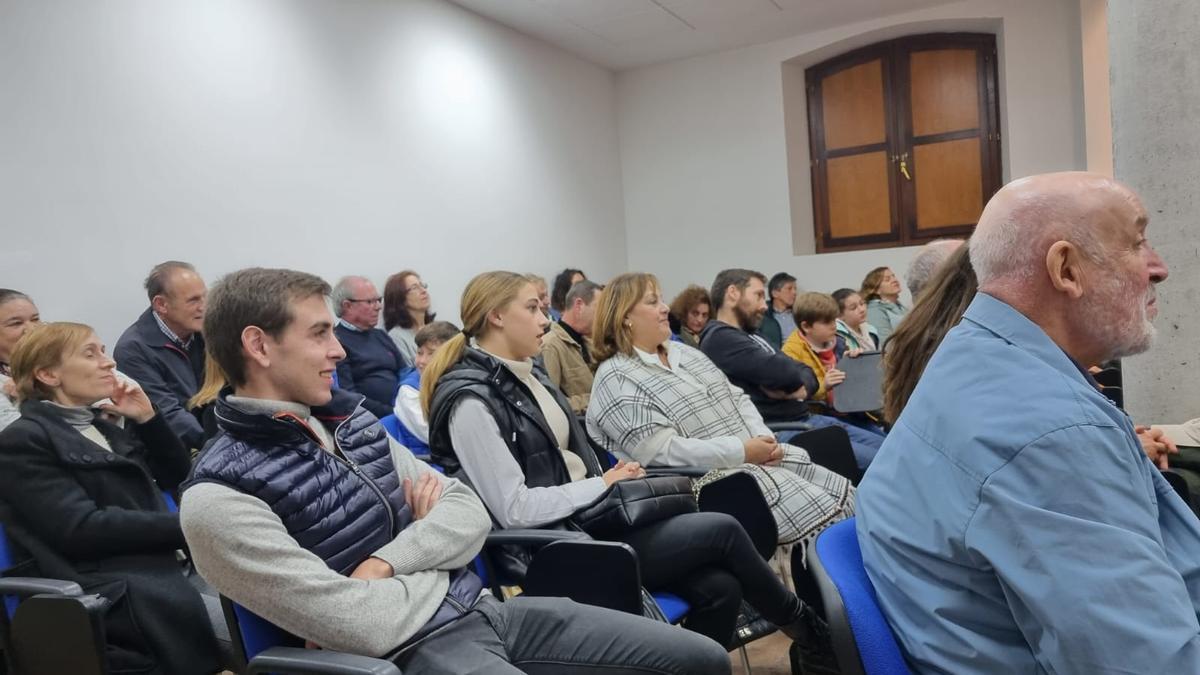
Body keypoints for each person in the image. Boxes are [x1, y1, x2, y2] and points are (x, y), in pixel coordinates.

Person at [179, 267, 731, 674]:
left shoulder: (352, 424)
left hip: (484, 613)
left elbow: (469, 514)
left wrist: (385, 563)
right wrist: (434, 550)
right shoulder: (220, 496)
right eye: (319, 333)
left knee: (700, 660)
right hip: (409, 655)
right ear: (259, 345)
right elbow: (359, 623)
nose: (340, 351)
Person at [855, 172, 1198, 674]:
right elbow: (1149, 664)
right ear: (1066, 269)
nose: (1158, 267)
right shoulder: (1051, 432)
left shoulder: (972, 355)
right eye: (1137, 242)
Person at [423, 271, 820, 649]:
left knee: (722, 589)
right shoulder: (471, 402)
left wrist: (611, 479)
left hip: (591, 521)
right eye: (533, 309)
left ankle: (795, 641)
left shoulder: (530, 374)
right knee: (722, 528)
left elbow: (572, 463)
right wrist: (604, 483)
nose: (546, 320)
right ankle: (813, 634)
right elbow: (514, 509)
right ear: (496, 317)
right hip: (555, 548)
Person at [0, 322, 221, 674]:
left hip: (173, 569)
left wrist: (149, 419)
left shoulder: (102, 426)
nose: (109, 363)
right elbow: (79, 529)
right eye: (91, 354)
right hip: (123, 590)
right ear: (47, 374)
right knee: (265, 632)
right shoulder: (23, 440)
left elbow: (182, 480)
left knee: (274, 607)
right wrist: (189, 525)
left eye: (103, 351)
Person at [588, 273, 854, 549]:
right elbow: (664, 452)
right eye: (653, 302)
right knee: (830, 522)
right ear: (625, 317)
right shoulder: (617, 377)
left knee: (850, 501)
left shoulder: (686, 354)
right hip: (709, 484)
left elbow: (737, 398)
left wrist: (764, 440)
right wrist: (742, 451)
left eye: (662, 300)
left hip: (756, 459)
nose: (665, 308)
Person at [697, 269, 819, 424]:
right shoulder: (720, 338)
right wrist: (798, 381)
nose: (764, 306)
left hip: (804, 420)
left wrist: (799, 390)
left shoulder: (752, 334)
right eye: (759, 296)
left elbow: (807, 371)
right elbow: (786, 372)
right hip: (782, 429)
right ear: (733, 293)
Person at [782, 292, 885, 467]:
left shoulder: (839, 342)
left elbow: (854, 389)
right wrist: (825, 386)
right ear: (806, 326)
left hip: (854, 414)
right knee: (878, 460)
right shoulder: (791, 353)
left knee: (889, 445)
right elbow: (797, 397)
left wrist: (855, 365)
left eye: (834, 320)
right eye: (827, 322)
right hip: (824, 419)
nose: (834, 326)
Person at [114, 261, 208, 450]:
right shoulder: (133, 349)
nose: (203, 307)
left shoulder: (207, 331)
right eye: (193, 300)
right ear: (161, 305)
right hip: (172, 452)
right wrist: (218, 447)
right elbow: (168, 414)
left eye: (205, 297)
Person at [332, 275, 406, 419]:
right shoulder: (337, 342)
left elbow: (404, 373)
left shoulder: (381, 336)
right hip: (373, 420)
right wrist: (393, 413)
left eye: (379, 300)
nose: (378, 307)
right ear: (348, 306)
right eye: (370, 302)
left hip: (402, 410)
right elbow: (348, 397)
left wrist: (408, 403)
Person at [391, 320, 460, 456]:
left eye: (431, 354)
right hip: (429, 462)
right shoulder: (409, 391)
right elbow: (436, 438)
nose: (422, 361)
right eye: (419, 352)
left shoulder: (458, 380)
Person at [539, 280, 603, 413]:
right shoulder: (550, 346)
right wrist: (597, 399)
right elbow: (549, 402)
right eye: (599, 308)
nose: (603, 316)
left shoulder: (588, 342)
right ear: (579, 305)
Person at [0, 289, 41, 432]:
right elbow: (18, 435)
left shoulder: (64, 361)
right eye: (16, 323)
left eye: (35, 319)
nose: (32, 329)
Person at [384, 270, 436, 366]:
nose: (423, 291)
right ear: (400, 298)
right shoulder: (397, 337)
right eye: (414, 288)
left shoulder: (437, 329)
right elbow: (411, 372)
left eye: (422, 286)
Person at [860, 266, 906, 347]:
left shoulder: (902, 307)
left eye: (894, 276)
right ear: (876, 290)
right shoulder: (875, 311)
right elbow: (886, 344)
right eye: (887, 279)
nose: (894, 280)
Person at [757, 272, 797, 351]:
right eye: (789, 289)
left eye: (795, 289)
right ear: (775, 293)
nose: (794, 293)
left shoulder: (800, 313)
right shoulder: (762, 315)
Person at [831, 288, 878, 352]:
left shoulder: (871, 331)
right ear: (839, 315)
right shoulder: (837, 336)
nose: (862, 310)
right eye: (853, 308)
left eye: (862, 303)